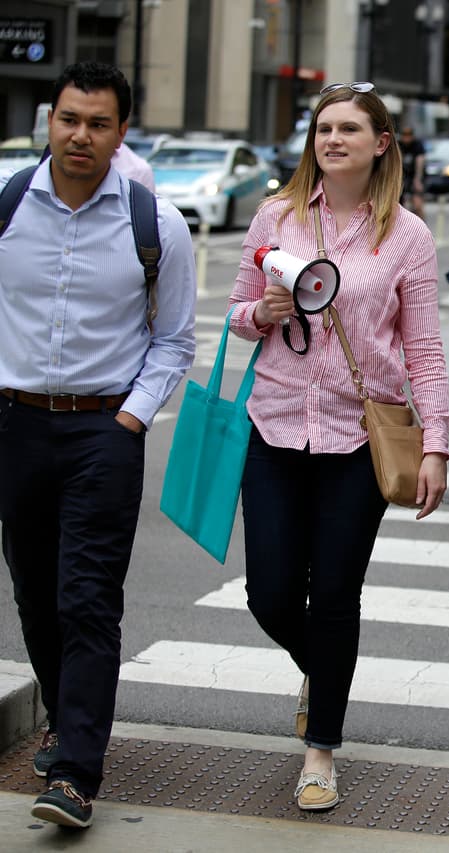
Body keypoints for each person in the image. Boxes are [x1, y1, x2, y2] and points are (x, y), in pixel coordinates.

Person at [228, 81, 449, 812]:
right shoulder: (277, 216)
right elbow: (235, 314)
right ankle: (320, 671)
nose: (333, 140)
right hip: (275, 424)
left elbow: (423, 349)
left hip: (361, 438)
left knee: (335, 598)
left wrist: (437, 446)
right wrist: (261, 310)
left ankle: (321, 748)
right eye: (324, 129)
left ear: (380, 143)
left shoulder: (408, 236)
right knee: (268, 593)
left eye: (350, 129)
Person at [0, 61, 196, 829]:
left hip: (102, 430)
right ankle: (63, 722)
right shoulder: (10, 205)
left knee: (87, 598)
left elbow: (174, 340)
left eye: (98, 123)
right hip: (15, 423)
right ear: (50, 120)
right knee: (35, 594)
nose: (80, 135)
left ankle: (77, 770)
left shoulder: (157, 223)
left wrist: (131, 420)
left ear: (121, 134)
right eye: (69, 119)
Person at [398, 124, 425, 217]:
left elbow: (420, 162)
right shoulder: (398, 144)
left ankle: (422, 227)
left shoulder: (417, 145)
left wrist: (418, 179)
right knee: (399, 206)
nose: (407, 137)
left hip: (415, 175)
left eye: (409, 135)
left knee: (417, 205)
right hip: (402, 176)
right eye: (404, 135)